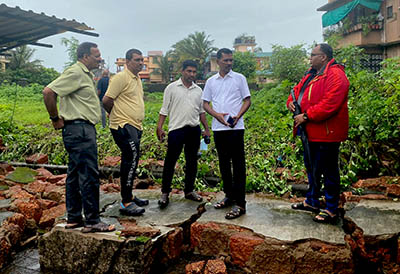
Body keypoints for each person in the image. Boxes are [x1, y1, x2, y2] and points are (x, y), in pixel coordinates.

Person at [42, 42, 114, 233]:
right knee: (89, 175)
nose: (100, 59)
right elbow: (49, 92)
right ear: (84, 56)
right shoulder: (75, 72)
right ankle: (92, 221)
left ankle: (74, 218)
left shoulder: (86, 75)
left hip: (80, 129)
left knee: (74, 175)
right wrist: (55, 118)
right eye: (96, 56)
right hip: (79, 129)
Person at [287, 43, 349, 224]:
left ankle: (331, 208)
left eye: (313, 55)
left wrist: (306, 115)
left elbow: (331, 103)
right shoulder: (311, 73)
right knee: (312, 169)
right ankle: (312, 201)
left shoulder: (336, 75)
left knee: (329, 170)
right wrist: (290, 101)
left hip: (326, 132)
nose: (310, 58)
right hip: (310, 132)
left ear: (323, 57)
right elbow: (297, 91)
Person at [202, 48, 251, 219]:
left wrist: (238, 116)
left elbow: (247, 100)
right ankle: (229, 196)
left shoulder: (239, 78)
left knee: (238, 165)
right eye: (226, 60)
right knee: (224, 164)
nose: (229, 63)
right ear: (218, 61)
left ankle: (241, 203)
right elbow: (205, 104)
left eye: (231, 60)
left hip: (236, 128)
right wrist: (216, 115)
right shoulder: (211, 81)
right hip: (219, 128)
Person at [156, 60, 211, 208]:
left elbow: (202, 112)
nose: (191, 74)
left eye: (194, 72)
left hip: (193, 130)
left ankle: (189, 191)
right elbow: (164, 110)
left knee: (192, 162)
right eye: (189, 71)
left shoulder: (198, 90)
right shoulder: (171, 88)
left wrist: (206, 129)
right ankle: (165, 193)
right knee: (170, 162)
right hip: (176, 130)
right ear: (182, 71)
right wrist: (159, 127)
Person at [102, 49, 149, 216]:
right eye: (137, 60)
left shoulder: (136, 79)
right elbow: (106, 100)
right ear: (127, 61)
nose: (140, 62)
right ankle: (126, 203)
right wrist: (116, 115)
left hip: (135, 125)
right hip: (123, 125)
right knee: (130, 160)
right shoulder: (120, 77)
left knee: (132, 161)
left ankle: (128, 195)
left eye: (141, 60)